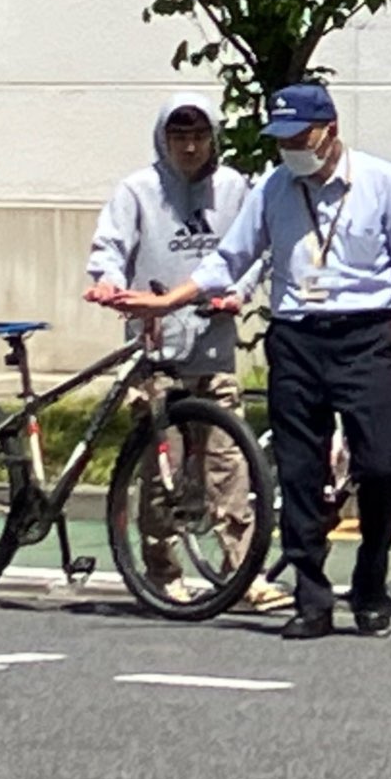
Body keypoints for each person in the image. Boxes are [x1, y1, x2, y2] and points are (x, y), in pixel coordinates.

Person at [109, 82, 391, 640]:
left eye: (298, 136)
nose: (289, 148)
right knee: (299, 469)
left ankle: (369, 578)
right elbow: (231, 258)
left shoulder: (383, 183)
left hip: (365, 334)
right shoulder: (274, 188)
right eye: (281, 138)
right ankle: (312, 597)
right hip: (297, 337)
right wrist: (169, 300)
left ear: (329, 130)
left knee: (382, 465)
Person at [82, 96, 280, 610]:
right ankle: (162, 571)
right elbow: (109, 247)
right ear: (163, 139)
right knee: (158, 465)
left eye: (199, 136)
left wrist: (241, 290)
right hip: (156, 352)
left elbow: (258, 248)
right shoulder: (138, 191)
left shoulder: (235, 189)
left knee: (229, 463)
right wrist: (108, 281)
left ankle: (243, 572)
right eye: (179, 137)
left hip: (212, 349)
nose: (190, 147)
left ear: (213, 137)